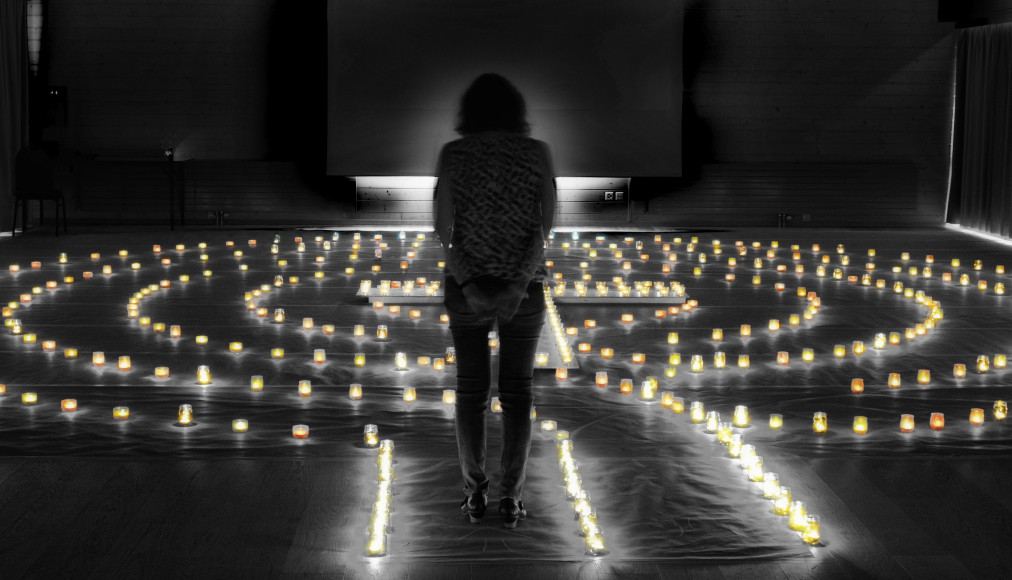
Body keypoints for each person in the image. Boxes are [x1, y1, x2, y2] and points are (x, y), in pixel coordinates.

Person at [434, 73, 556, 528]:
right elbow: (545, 228)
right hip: (524, 293)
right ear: (516, 111)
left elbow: (442, 229)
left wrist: (468, 285)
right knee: (518, 395)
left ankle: (474, 496)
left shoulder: (454, 154)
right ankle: (512, 499)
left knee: (471, 396)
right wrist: (517, 284)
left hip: (466, 292)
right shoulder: (536, 153)